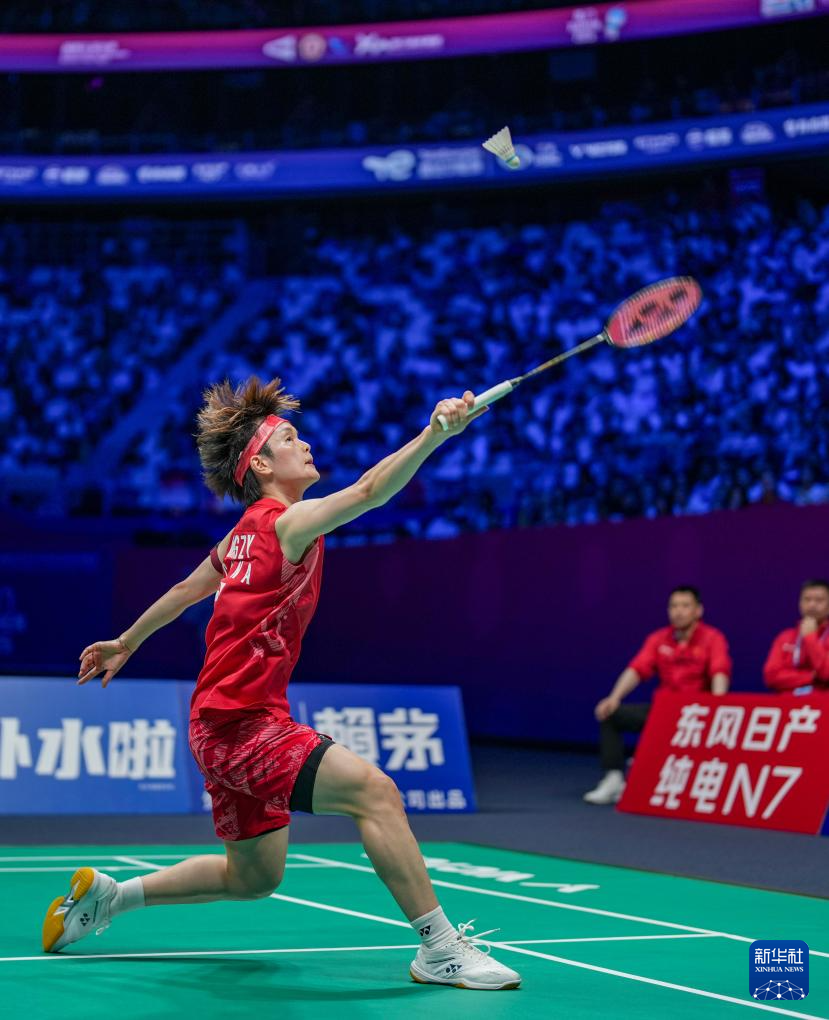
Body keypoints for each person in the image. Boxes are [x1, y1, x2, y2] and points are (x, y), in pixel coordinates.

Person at [42, 376, 520, 991]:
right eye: (290, 438)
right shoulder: (285, 524)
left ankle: (110, 897)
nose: (306, 444)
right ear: (262, 465)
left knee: (253, 877)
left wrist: (126, 641)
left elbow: (186, 590)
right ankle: (440, 948)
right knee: (375, 793)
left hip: (219, 722)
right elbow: (370, 491)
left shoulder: (241, 536)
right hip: (240, 726)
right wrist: (434, 434)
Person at [583, 586, 731, 805]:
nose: (678, 611)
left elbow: (719, 672)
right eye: (674, 606)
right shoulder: (658, 639)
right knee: (610, 714)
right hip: (663, 712)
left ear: (698, 610)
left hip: (696, 716)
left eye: (685, 606)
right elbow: (636, 669)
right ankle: (614, 778)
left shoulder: (712, 638)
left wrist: (718, 707)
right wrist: (614, 697)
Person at [763, 579, 829, 695]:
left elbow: (826, 673)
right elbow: (771, 676)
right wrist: (811, 676)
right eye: (807, 599)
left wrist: (810, 638)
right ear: (800, 603)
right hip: (788, 703)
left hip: (823, 703)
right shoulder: (785, 637)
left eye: (819, 600)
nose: (812, 605)